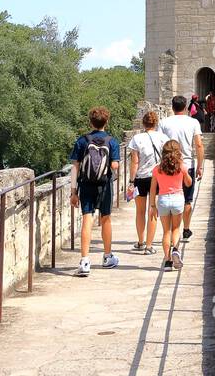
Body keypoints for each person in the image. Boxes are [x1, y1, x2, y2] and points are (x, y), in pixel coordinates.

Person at [69, 106, 121, 276]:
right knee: (105, 219)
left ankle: (84, 261)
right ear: (107, 121)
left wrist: (73, 191)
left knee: (87, 219)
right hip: (104, 184)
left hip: (85, 184)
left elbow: (75, 167)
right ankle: (107, 257)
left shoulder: (82, 141)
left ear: (90, 122)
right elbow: (115, 165)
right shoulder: (112, 141)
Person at [159, 94, 204, 241]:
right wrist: (200, 166)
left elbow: (161, 145)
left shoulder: (164, 122)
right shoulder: (193, 122)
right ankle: (185, 229)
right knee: (187, 200)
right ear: (185, 108)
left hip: (167, 166)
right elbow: (198, 144)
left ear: (172, 108)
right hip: (187, 165)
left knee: (169, 196)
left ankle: (172, 230)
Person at [149, 139, 192, 269]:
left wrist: (152, 205)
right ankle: (175, 250)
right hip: (177, 199)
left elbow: (152, 188)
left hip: (163, 200)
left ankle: (167, 261)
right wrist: (185, 169)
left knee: (166, 231)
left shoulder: (157, 169)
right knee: (176, 229)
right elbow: (189, 183)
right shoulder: (181, 167)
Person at [126, 110, 164, 254]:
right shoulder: (163, 138)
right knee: (152, 210)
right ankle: (149, 246)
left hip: (140, 178)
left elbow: (134, 162)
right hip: (157, 177)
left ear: (143, 123)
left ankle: (141, 242)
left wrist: (131, 181)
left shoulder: (137, 139)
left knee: (140, 211)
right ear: (156, 123)